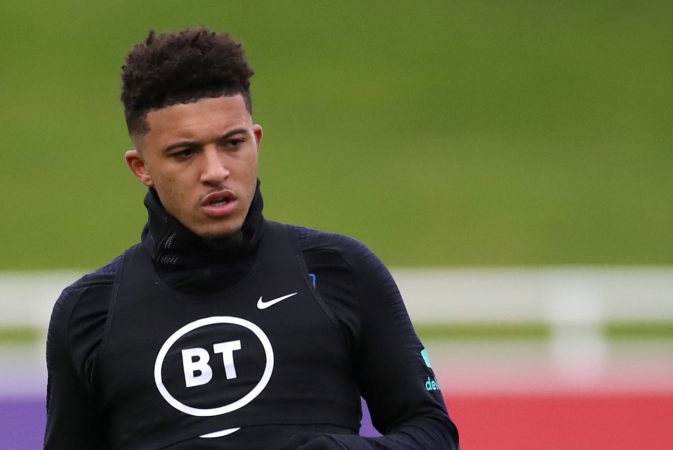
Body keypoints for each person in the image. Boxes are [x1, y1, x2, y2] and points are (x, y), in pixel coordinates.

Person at [44, 27, 458, 449]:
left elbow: (433, 433)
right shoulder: (89, 312)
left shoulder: (339, 268)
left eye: (232, 143)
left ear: (255, 141)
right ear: (141, 167)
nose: (215, 171)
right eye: (185, 153)